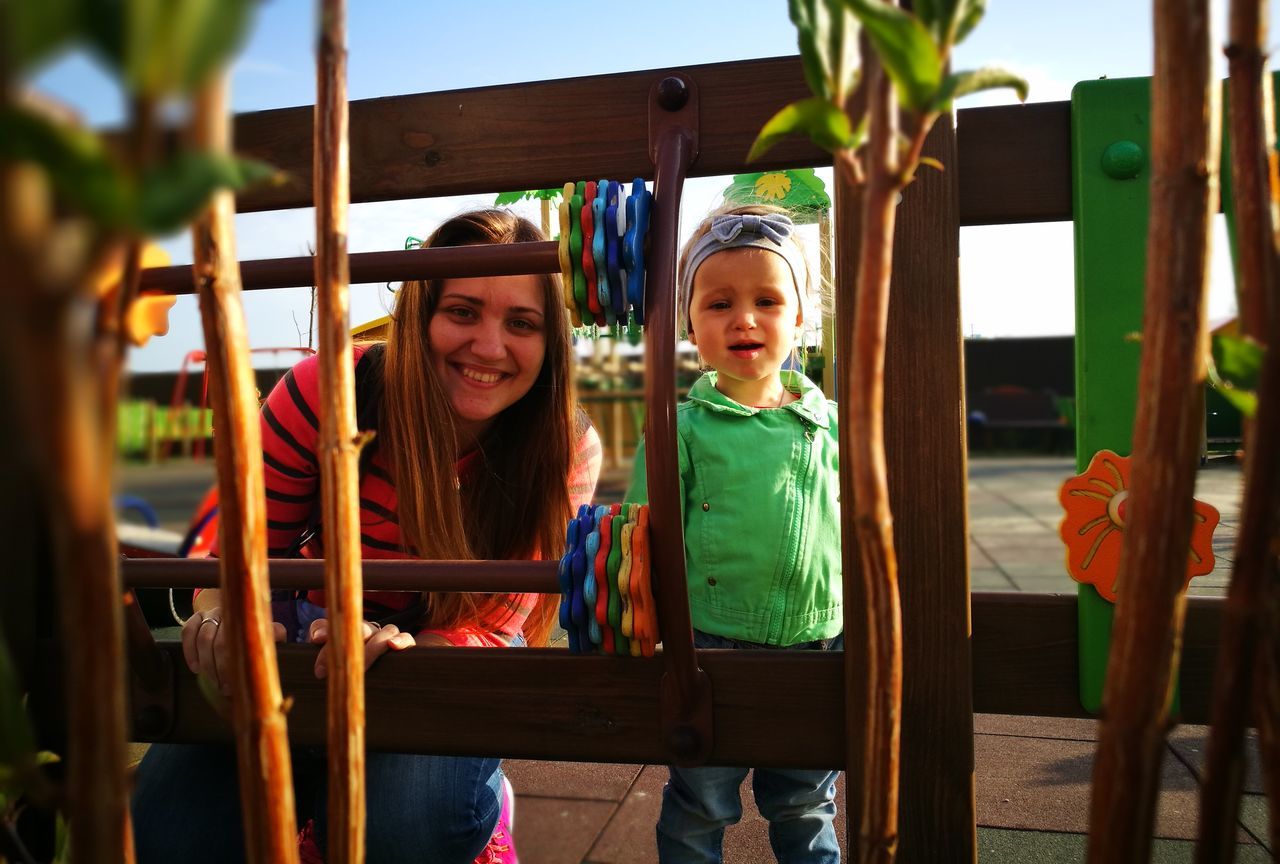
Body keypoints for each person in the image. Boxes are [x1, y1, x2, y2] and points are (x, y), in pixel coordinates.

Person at [133, 209, 602, 864]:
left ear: (550, 343)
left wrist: (417, 650)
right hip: (310, 627)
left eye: (521, 323)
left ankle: (477, 804)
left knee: (404, 830)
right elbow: (245, 548)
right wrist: (226, 613)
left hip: (448, 644)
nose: (490, 347)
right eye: (463, 312)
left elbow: (496, 617)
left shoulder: (565, 449)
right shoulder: (328, 391)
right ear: (419, 315)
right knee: (173, 826)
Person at [626, 205, 843, 864]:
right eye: (718, 303)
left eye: (768, 300)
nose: (743, 318)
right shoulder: (681, 428)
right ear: (691, 323)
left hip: (822, 643)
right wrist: (643, 618)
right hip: (706, 649)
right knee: (699, 803)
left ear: (802, 317)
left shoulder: (836, 424)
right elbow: (642, 531)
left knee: (806, 804)